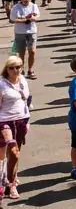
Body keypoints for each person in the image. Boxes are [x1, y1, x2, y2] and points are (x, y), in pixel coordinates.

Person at [0, 55, 31, 199]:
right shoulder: (2, 84)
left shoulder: (23, 80)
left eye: (18, 67)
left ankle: (12, 182)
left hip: (21, 120)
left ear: (22, 68)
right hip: (5, 121)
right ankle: (9, 182)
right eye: (11, 68)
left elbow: (27, 99)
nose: (15, 70)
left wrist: (27, 119)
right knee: (12, 152)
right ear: (7, 69)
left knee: (16, 153)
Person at [9, 0, 39, 79]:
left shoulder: (33, 6)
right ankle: (21, 70)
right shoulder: (16, 7)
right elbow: (13, 19)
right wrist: (25, 20)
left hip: (32, 31)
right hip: (20, 32)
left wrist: (33, 18)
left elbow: (37, 15)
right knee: (21, 53)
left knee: (32, 51)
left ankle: (31, 70)